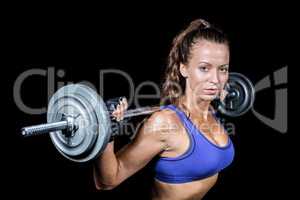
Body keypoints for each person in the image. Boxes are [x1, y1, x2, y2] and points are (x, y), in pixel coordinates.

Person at [93, 18, 235, 200]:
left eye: (223, 69)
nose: (216, 79)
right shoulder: (165, 123)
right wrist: (107, 132)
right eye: (204, 68)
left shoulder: (212, 112)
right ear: (184, 68)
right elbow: (106, 181)